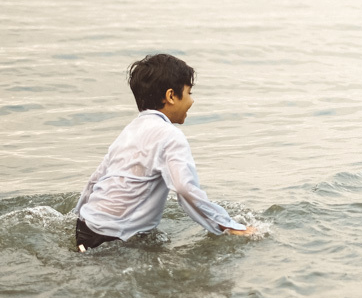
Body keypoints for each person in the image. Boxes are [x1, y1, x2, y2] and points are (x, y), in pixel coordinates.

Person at [73, 54, 255, 250]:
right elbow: (184, 189)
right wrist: (229, 226)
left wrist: (76, 215)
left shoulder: (130, 131)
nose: (192, 101)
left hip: (86, 226)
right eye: (189, 92)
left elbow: (95, 180)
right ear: (170, 96)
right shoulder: (170, 136)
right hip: (112, 237)